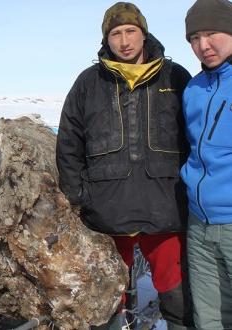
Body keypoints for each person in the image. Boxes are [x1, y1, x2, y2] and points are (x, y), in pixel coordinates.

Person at [56, 2, 195, 329]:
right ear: (107, 40)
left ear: (143, 34)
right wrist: (77, 196)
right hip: (105, 214)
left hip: (165, 209)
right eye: (116, 33)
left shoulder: (176, 76)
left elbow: (193, 138)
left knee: (176, 295)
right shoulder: (88, 83)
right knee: (107, 297)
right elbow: (69, 144)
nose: (124, 40)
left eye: (131, 31)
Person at [181, 0, 232, 328]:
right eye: (195, 38)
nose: (203, 45)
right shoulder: (193, 89)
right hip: (198, 223)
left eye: (212, 33)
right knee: (209, 319)